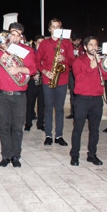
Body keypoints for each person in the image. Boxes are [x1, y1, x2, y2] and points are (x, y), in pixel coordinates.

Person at [0, 24, 36, 168]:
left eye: (18, 34)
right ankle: (6, 156)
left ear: (21, 36)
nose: (15, 37)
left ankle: (16, 155)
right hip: (2, 95)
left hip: (19, 95)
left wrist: (19, 69)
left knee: (17, 127)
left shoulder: (26, 50)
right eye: (12, 34)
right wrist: (1, 59)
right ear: (8, 34)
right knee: (3, 126)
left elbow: (33, 70)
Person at [70, 36, 107, 166]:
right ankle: (75, 155)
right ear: (85, 47)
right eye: (91, 45)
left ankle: (92, 155)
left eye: (95, 45)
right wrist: (91, 66)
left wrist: (101, 63)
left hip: (96, 99)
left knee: (94, 130)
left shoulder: (100, 60)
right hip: (82, 100)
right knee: (78, 129)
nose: (94, 47)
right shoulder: (78, 61)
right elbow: (79, 78)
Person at [36, 18, 75, 146]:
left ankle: (59, 136)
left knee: (59, 109)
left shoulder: (67, 43)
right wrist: (45, 72)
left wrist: (64, 58)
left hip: (62, 80)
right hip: (48, 79)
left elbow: (73, 62)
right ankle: (48, 135)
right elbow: (37, 62)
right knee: (48, 108)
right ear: (49, 29)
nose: (56, 29)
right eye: (53, 26)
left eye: (58, 26)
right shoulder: (44, 44)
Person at [25, 35, 45, 131]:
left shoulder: (46, 54)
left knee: (42, 104)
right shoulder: (31, 53)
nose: (41, 45)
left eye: (42, 43)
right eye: (39, 42)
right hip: (32, 82)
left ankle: (40, 124)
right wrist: (32, 75)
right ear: (35, 43)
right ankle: (28, 123)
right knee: (30, 104)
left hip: (43, 81)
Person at [66, 32, 84, 119]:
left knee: (83, 93)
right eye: (74, 41)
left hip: (83, 73)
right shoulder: (70, 48)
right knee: (73, 93)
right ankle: (73, 112)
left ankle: (84, 113)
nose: (76, 42)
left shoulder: (84, 48)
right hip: (71, 72)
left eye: (78, 40)